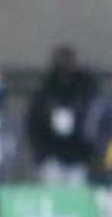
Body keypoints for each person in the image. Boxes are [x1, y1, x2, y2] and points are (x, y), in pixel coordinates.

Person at [25, 45, 97, 185]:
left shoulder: (85, 92)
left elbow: (92, 122)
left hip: (78, 155)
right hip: (52, 156)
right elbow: (34, 124)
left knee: (76, 195)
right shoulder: (45, 92)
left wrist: (89, 150)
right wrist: (41, 152)